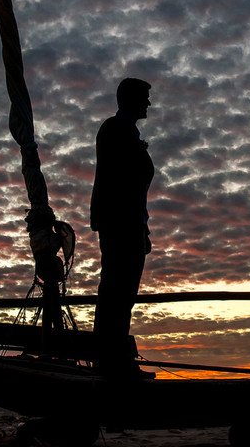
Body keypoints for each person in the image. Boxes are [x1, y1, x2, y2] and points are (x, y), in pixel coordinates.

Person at [90, 77, 155, 377]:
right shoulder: (115, 130)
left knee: (123, 295)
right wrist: (132, 227)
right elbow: (120, 185)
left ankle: (115, 360)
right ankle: (110, 362)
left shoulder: (124, 131)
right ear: (130, 100)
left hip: (129, 226)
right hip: (119, 227)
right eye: (144, 98)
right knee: (116, 293)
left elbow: (135, 190)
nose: (149, 104)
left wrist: (143, 229)